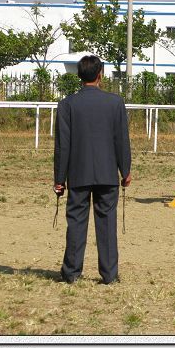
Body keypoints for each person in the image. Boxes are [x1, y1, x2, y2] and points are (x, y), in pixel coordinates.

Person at [53, 55, 132, 285]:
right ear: (101, 75)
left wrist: (59, 178)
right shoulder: (115, 102)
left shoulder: (67, 104)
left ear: (79, 76)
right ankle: (109, 274)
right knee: (107, 222)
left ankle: (71, 272)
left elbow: (62, 145)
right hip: (108, 172)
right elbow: (121, 140)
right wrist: (124, 170)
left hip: (78, 173)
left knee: (76, 222)